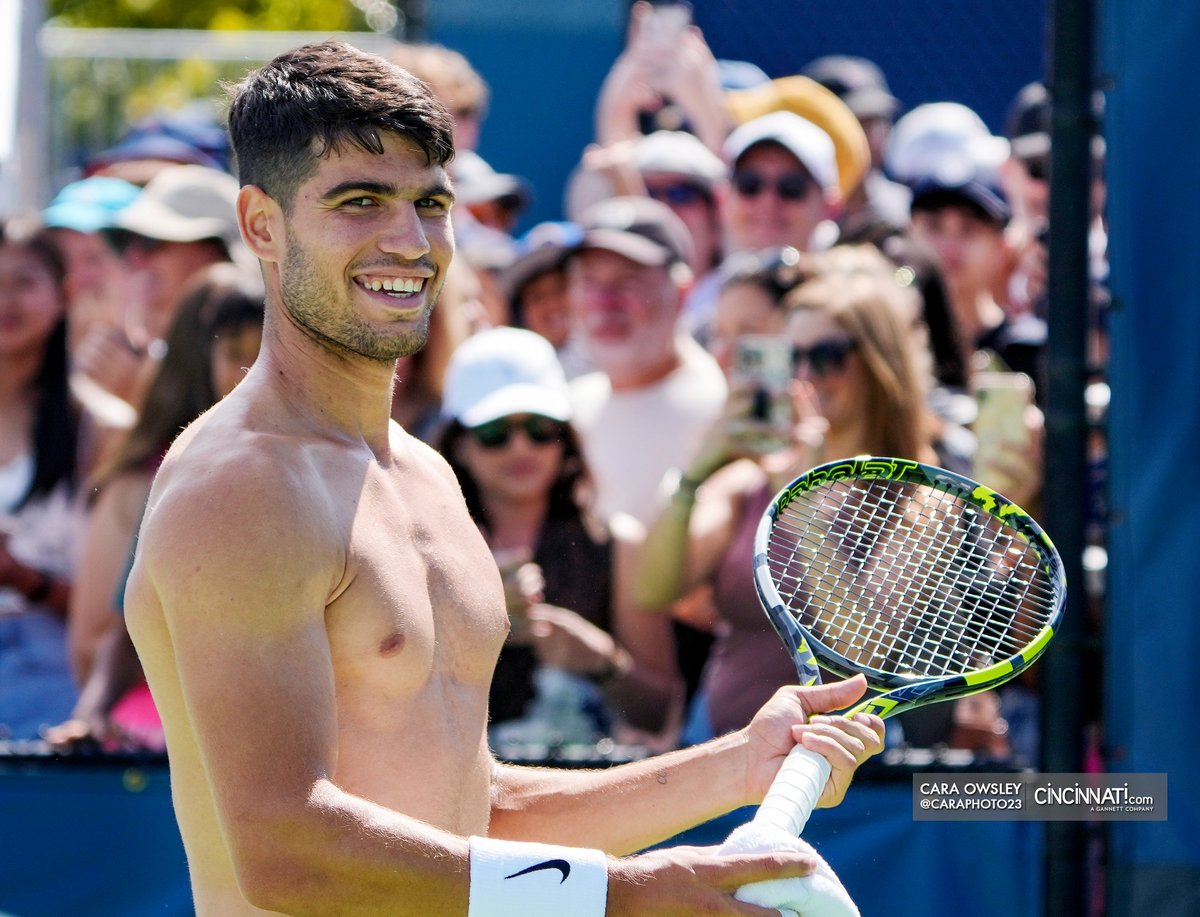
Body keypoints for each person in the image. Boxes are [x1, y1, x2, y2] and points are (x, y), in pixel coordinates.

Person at [124, 41, 883, 916]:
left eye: (430, 203)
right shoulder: (240, 483)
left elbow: (470, 811)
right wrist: (629, 895)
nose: (409, 242)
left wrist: (733, 765)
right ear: (262, 224)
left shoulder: (427, 475)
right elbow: (287, 850)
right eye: (360, 202)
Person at [636, 246, 971, 746]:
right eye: (791, 357)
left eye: (828, 357)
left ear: (880, 365)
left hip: (842, 770)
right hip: (723, 757)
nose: (806, 376)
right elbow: (653, 591)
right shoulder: (749, 482)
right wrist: (695, 472)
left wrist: (796, 499)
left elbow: (860, 649)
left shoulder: (923, 498)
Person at [51, 264, 265, 751]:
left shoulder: (330, 469)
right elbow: (124, 628)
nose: (247, 372)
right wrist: (91, 713)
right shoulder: (180, 475)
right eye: (233, 352)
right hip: (175, 722)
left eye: (263, 353)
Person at [435, 326, 682, 747]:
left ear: (564, 438)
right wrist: (471, 619)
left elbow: (659, 712)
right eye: (495, 432)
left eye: (539, 428)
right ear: (459, 444)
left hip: (581, 780)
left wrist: (603, 661)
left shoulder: (618, 544)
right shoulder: (424, 545)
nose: (521, 448)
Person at [0, 221, 85, 740]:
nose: (6, 300)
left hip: (57, 672)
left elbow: (119, 602)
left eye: (23, 281)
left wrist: (24, 578)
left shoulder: (94, 425)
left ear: (64, 294)